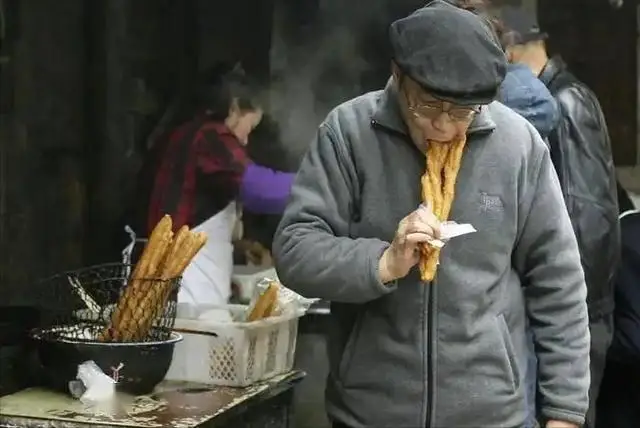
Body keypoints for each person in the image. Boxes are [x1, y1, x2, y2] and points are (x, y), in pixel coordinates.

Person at [273, 2, 590, 427]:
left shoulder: (518, 146)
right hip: (372, 413)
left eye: (461, 111)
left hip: (493, 415)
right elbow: (295, 249)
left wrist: (564, 413)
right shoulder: (348, 133)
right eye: (427, 105)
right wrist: (383, 261)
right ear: (398, 76)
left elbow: (559, 281)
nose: (443, 126)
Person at [499, 8, 621, 428]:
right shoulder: (554, 97)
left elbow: (586, 223)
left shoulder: (564, 103)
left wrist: (561, 323)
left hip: (568, 322)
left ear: (509, 52)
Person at [144, 63, 295, 306]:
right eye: (249, 127)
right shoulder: (209, 138)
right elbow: (260, 190)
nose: (245, 141)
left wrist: (238, 246)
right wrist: (322, 183)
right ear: (234, 107)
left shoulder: (187, 134)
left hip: (192, 294)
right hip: (185, 298)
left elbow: (195, 216)